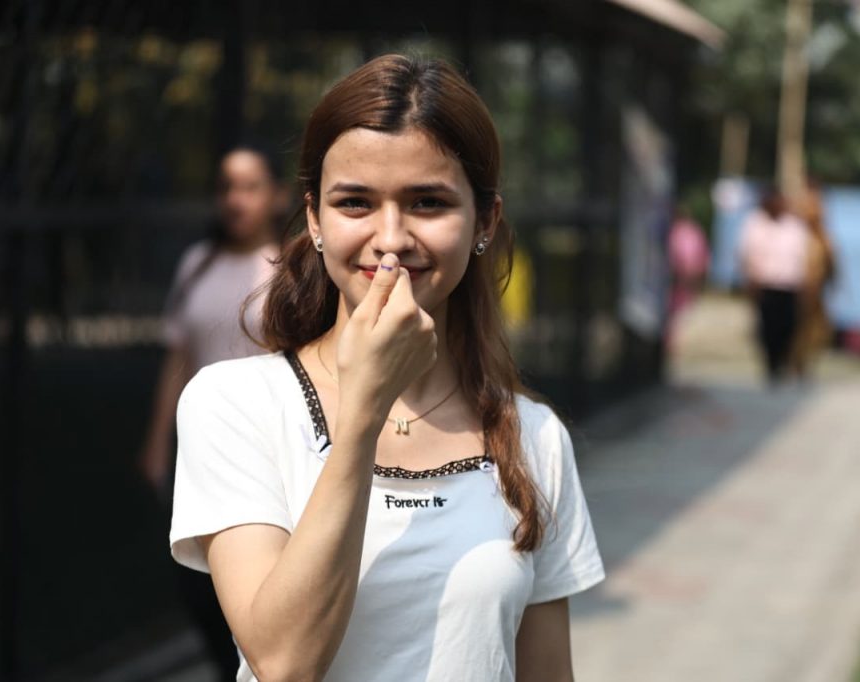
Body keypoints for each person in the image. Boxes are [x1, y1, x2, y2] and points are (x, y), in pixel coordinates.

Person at [169, 54, 605, 682]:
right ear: (315, 218)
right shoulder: (235, 403)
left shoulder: (533, 436)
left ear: (484, 221)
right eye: (355, 202)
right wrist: (364, 413)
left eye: (428, 202)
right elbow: (285, 662)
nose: (392, 237)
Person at [139, 143, 289, 679]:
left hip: (270, 451)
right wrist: (158, 442)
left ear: (277, 196)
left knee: (256, 584)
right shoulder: (197, 263)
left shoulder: (293, 267)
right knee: (198, 582)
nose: (236, 199)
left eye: (250, 186)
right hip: (204, 450)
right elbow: (178, 357)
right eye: (227, 186)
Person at [738, 187, 811, 385]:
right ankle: (771, 365)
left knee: (788, 326)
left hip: (790, 286)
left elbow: (802, 256)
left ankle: (782, 361)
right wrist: (750, 280)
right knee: (767, 327)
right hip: (765, 285)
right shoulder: (755, 223)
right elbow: (747, 253)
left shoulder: (794, 226)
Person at [790, 179, 836, 378]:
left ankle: (802, 363)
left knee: (814, 329)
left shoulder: (823, 237)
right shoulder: (796, 232)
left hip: (815, 289)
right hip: (797, 285)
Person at [666, 205, 710, 350]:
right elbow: (702, 255)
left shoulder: (684, 231)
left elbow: (701, 254)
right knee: (677, 309)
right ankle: (670, 339)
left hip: (682, 275)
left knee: (677, 309)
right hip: (683, 275)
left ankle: (671, 339)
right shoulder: (691, 231)